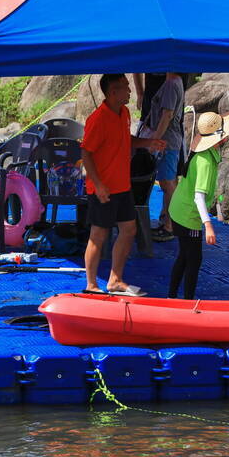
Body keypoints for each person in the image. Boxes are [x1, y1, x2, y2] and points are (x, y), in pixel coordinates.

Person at [81, 74, 166, 296]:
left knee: (129, 230)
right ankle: (91, 285)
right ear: (112, 92)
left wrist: (148, 143)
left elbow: (125, 139)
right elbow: (86, 153)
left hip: (122, 185)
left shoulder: (125, 113)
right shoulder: (97, 119)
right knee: (98, 235)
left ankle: (115, 280)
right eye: (125, 88)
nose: (130, 91)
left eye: (129, 87)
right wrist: (98, 185)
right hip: (102, 188)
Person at [168, 111, 229, 299]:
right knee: (193, 260)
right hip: (187, 215)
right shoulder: (205, 161)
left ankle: (172, 296)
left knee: (185, 256)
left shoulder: (204, 152)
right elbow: (198, 197)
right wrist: (208, 225)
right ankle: (187, 302)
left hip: (178, 209)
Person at [136, 73, 185, 242]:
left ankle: (171, 225)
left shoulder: (171, 84)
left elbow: (167, 115)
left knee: (167, 183)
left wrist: (154, 141)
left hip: (167, 142)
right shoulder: (171, 82)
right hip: (165, 140)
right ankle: (169, 221)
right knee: (167, 182)